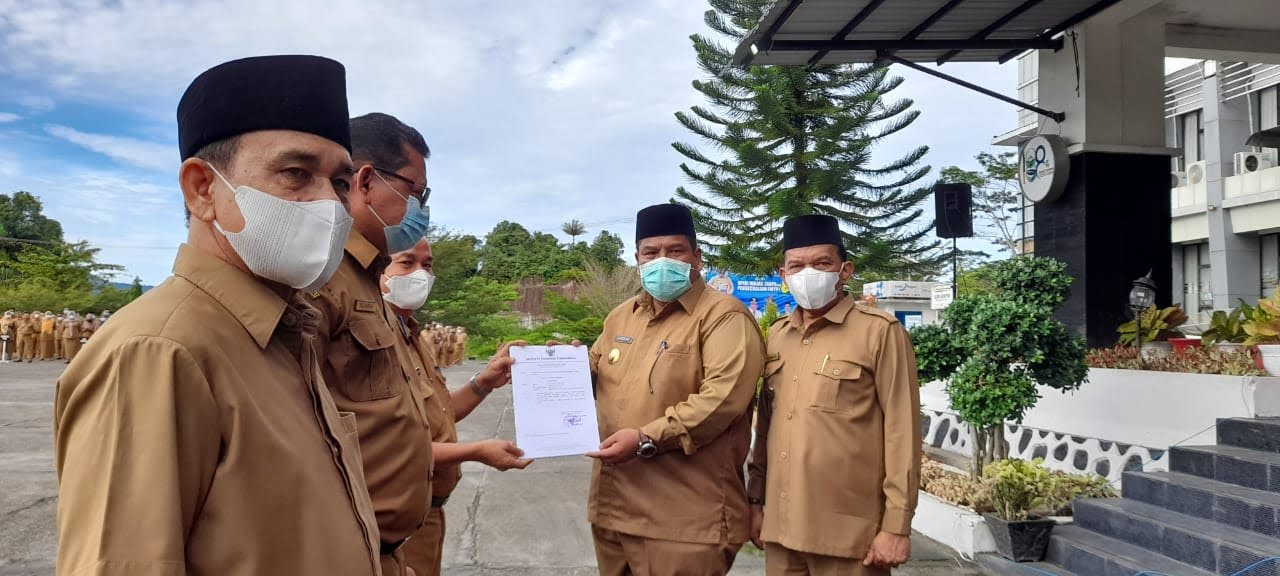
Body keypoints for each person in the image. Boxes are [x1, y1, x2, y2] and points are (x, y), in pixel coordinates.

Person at [54, 55, 382, 575]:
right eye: (296, 173)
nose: (329, 203)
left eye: (340, 183)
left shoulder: (284, 332)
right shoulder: (159, 351)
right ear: (202, 190)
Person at [585, 203, 765, 576]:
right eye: (651, 253)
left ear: (697, 257)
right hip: (613, 512)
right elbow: (595, 375)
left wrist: (645, 437)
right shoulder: (621, 317)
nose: (662, 260)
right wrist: (552, 368)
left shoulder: (724, 317)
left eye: (675, 250)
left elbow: (721, 401)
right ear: (637, 260)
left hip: (684, 523)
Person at [747, 215, 921, 576]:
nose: (808, 273)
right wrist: (755, 500)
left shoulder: (880, 333)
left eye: (822, 263)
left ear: (845, 271)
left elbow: (903, 433)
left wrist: (896, 525)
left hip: (850, 537)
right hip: (781, 530)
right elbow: (765, 427)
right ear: (783, 275)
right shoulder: (777, 335)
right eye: (797, 266)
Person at [308, 111, 435, 576]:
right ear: (365, 181)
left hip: (385, 550)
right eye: (416, 192)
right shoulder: (321, 281)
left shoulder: (367, 281)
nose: (421, 208)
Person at [379, 238, 532, 576]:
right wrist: (475, 451)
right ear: (377, 269)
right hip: (395, 520)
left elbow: (440, 412)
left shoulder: (413, 336)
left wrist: (484, 382)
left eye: (427, 265)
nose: (420, 274)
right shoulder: (373, 343)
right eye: (406, 263)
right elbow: (386, 449)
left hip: (429, 513)